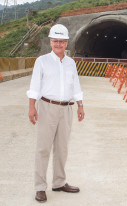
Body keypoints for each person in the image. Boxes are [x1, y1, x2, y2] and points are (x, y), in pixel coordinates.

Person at [27, 24, 85, 203]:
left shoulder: (71, 63)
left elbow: (75, 85)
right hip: (47, 107)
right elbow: (35, 86)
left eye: (61, 41)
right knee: (43, 148)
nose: (58, 44)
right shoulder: (42, 61)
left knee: (62, 148)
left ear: (67, 42)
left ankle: (59, 182)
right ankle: (40, 187)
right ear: (50, 42)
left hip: (67, 108)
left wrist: (80, 105)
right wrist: (32, 107)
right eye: (55, 41)